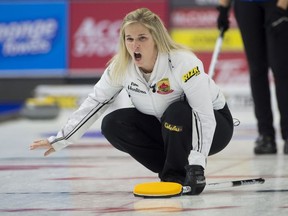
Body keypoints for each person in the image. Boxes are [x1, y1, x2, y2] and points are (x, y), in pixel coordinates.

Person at [30, 8, 234, 195]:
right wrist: (61, 139)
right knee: (113, 124)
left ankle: (174, 175)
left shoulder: (183, 63)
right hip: (166, 128)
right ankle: (174, 170)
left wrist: (197, 164)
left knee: (177, 111)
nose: (134, 45)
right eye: (129, 39)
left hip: (215, 127)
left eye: (142, 38)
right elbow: (95, 103)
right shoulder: (120, 68)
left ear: (156, 39)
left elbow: (203, 113)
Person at [217, 0, 288, 154]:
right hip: (246, 5)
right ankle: (265, 135)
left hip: (275, 5)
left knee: (282, 70)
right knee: (257, 70)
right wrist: (224, 7)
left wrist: (282, 6)